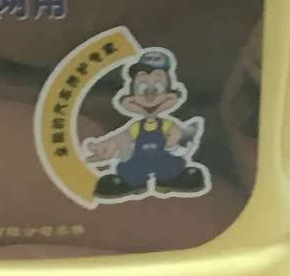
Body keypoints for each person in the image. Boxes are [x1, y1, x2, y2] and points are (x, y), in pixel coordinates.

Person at [85, 49, 211, 200]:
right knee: (130, 170)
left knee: (172, 167)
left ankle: (169, 180)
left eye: (158, 88)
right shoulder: (136, 127)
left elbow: (178, 136)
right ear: (131, 98)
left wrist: (176, 138)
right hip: (139, 162)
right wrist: (107, 146)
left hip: (163, 160)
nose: (150, 95)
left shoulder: (166, 124)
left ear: (170, 95)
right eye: (142, 88)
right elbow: (122, 138)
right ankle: (132, 183)